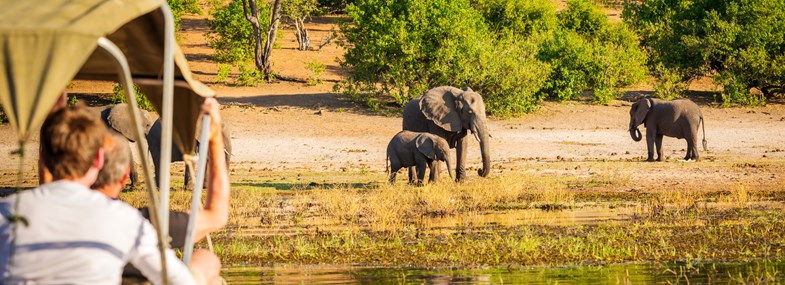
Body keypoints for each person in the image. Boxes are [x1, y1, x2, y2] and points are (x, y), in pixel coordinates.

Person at [0, 106, 198, 284]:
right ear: (99, 160)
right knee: (203, 263)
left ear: (42, 159)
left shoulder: (5, 213)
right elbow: (178, 279)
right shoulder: (122, 217)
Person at [92, 98, 229, 283]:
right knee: (205, 260)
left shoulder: (39, 211)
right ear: (125, 176)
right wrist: (215, 140)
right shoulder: (137, 223)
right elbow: (217, 216)